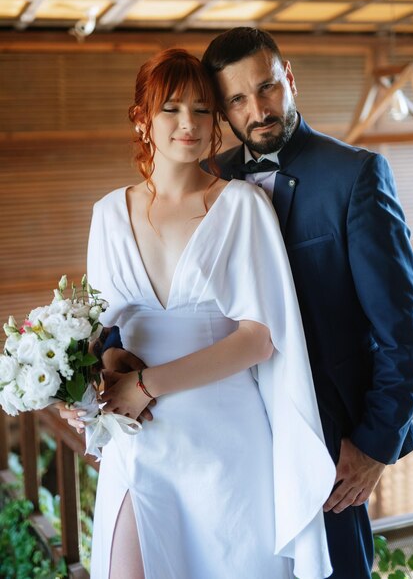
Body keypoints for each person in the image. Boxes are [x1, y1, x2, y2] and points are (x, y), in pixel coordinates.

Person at [59, 48, 335, 579]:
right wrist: (89, 388)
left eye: (202, 109)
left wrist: (145, 385)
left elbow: (259, 338)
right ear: (143, 119)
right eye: (171, 108)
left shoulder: (242, 206)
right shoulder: (108, 215)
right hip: (139, 436)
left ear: (216, 122)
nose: (188, 123)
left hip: (224, 439)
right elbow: (102, 331)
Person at [200, 27, 413, 579]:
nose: (258, 109)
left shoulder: (356, 175)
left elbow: (404, 330)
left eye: (267, 88)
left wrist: (373, 447)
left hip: (330, 446)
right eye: (238, 99)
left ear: (288, 79)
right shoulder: (208, 182)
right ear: (223, 110)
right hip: (233, 439)